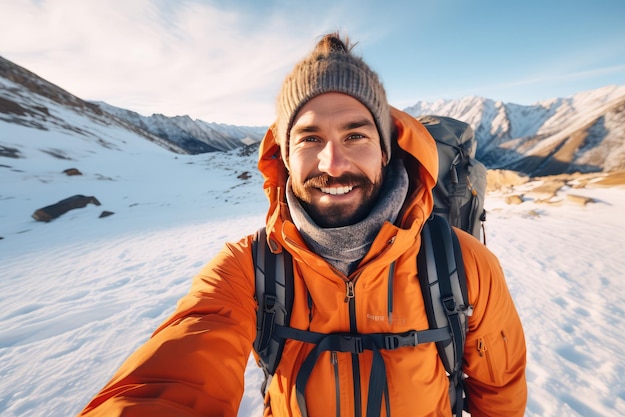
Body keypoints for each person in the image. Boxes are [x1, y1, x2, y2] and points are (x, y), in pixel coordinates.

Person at [78, 32, 527, 417]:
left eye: (356, 135)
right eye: (310, 138)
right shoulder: (246, 268)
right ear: (284, 157)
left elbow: (500, 393)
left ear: (385, 150)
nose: (333, 164)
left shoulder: (464, 265)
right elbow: (170, 378)